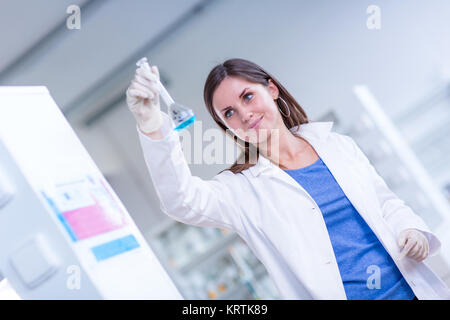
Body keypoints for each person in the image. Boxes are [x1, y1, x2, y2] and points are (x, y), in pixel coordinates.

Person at [125, 58, 450, 300]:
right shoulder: (242, 191)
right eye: (228, 113)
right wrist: (153, 125)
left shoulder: (336, 145)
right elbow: (181, 200)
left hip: (413, 289)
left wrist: (410, 229)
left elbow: (386, 202)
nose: (244, 114)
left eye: (247, 97)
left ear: (271, 89)